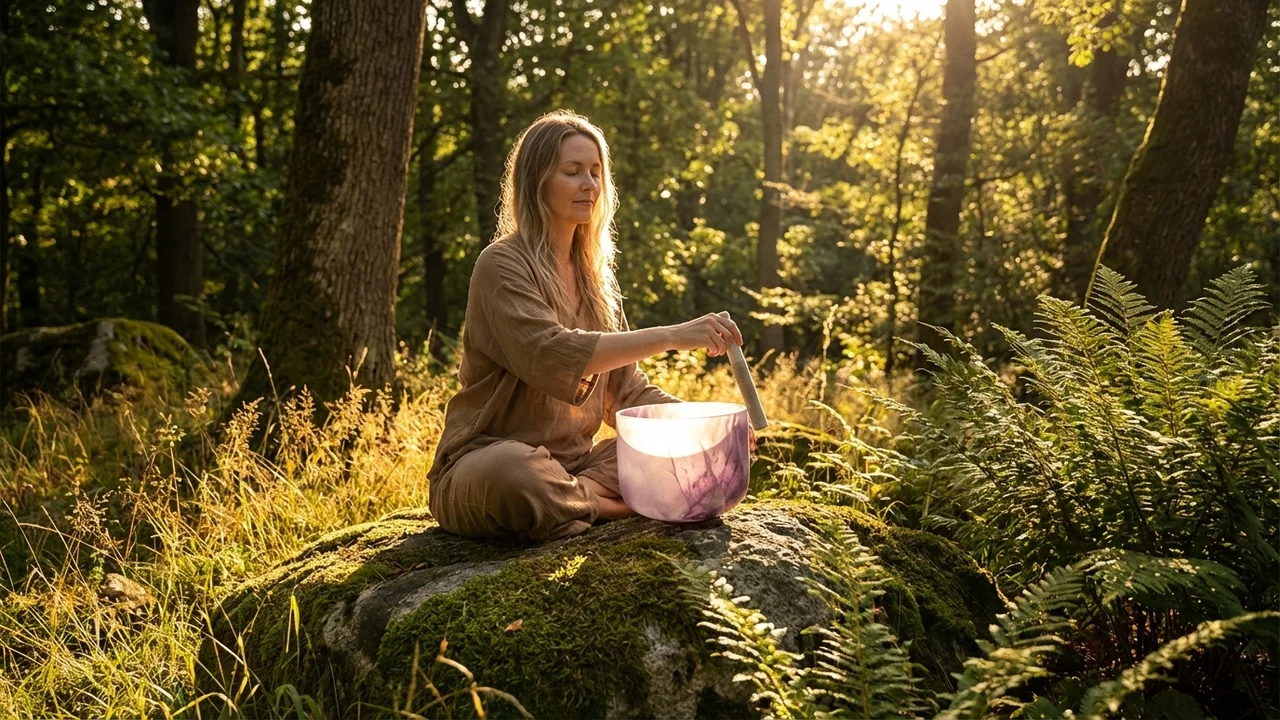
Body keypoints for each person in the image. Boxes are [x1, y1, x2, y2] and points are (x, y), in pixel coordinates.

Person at [427, 110, 749, 542]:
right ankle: (606, 506)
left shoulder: (596, 278)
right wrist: (675, 335)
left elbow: (627, 392)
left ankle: (577, 502)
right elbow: (551, 352)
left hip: (574, 467)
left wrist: (707, 430)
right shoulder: (501, 265)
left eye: (596, 172)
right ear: (537, 181)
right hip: (486, 462)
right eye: (573, 171)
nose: (590, 185)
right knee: (514, 474)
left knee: (682, 452)